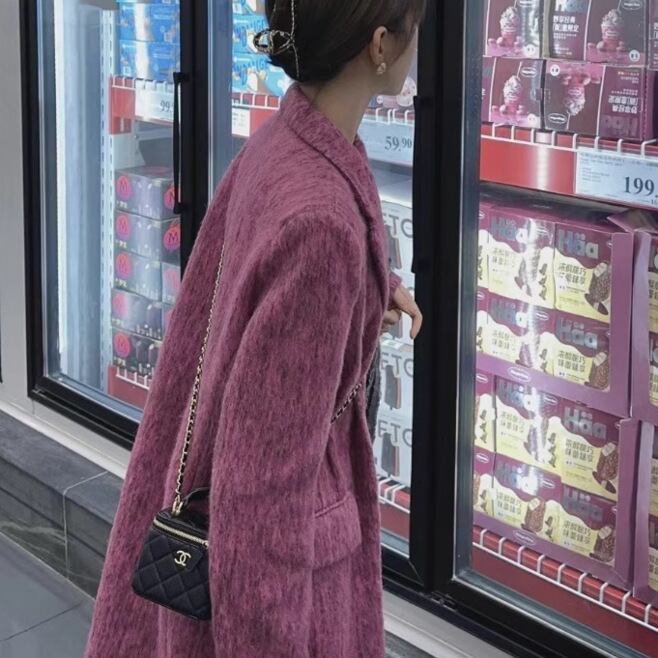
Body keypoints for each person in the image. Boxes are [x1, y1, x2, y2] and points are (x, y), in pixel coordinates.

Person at [85, 0, 425, 655]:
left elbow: (257, 271)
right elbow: (261, 500)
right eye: (417, 31)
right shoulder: (323, 227)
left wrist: (363, 292)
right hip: (290, 596)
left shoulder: (284, 140)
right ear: (380, 45)